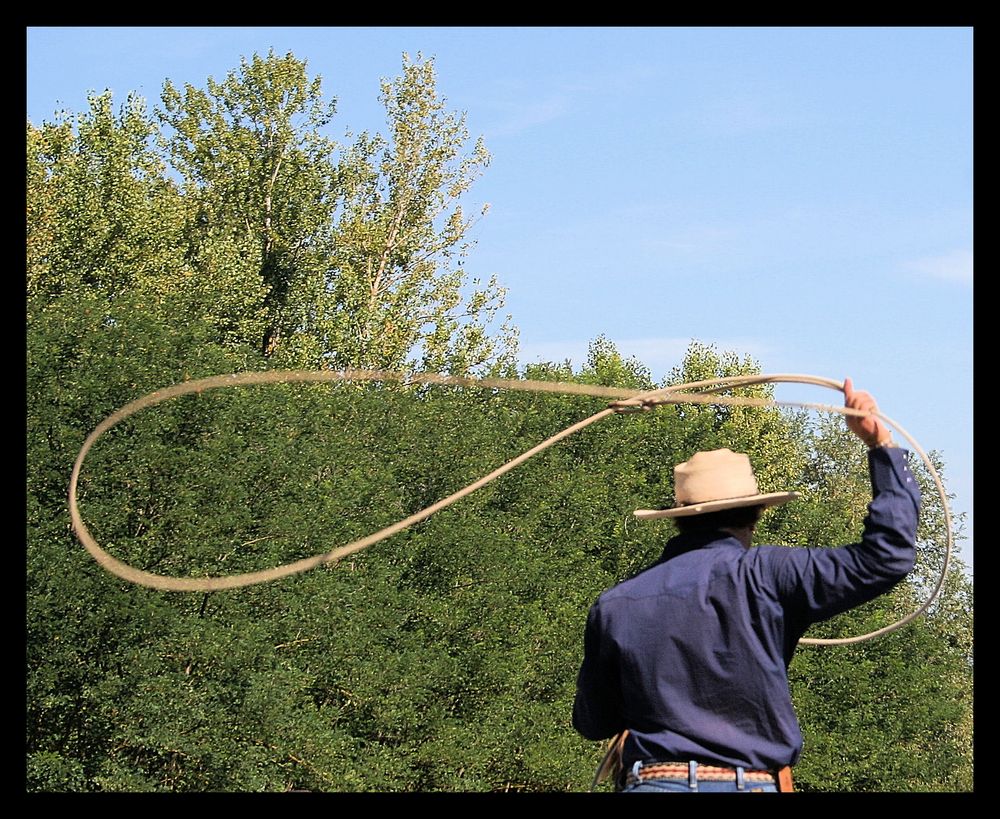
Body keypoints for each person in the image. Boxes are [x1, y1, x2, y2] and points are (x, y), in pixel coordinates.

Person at [572, 379, 921, 793]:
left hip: (651, 783)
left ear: (678, 516)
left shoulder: (617, 604)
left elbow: (593, 721)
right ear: (756, 513)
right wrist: (880, 444)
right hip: (747, 783)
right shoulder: (769, 574)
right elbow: (888, 556)